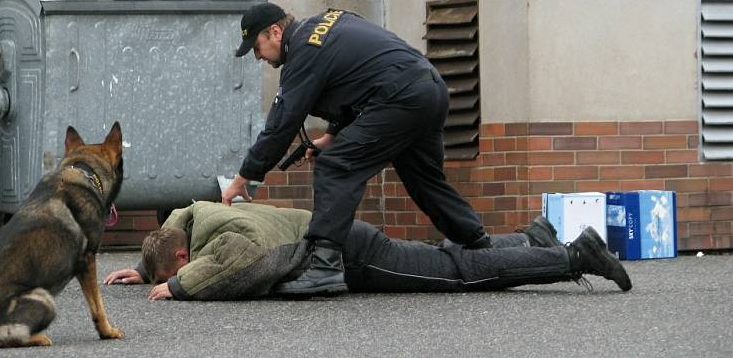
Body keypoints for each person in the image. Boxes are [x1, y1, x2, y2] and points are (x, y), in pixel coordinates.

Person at [221, 2, 491, 296]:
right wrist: (332, 135)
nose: (258, 56)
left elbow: (280, 127)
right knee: (425, 180)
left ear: (275, 31)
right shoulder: (328, 25)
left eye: (257, 47)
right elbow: (360, 76)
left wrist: (243, 178)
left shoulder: (303, 51)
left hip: (399, 97)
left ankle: (325, 266)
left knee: (336, 166)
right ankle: (478, 244)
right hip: (429, 89)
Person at [103, 201, 632, 300]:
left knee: (458, 273)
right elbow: (172, 224)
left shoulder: (225, 242)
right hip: (345, 237)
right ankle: (530, 240)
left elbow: (235, 267)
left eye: (177, 264)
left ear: (182, 256)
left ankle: (572, 257)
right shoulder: (196, 217)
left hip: (349, 250)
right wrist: (143, 265)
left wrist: (176, 285)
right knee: (435, 259)